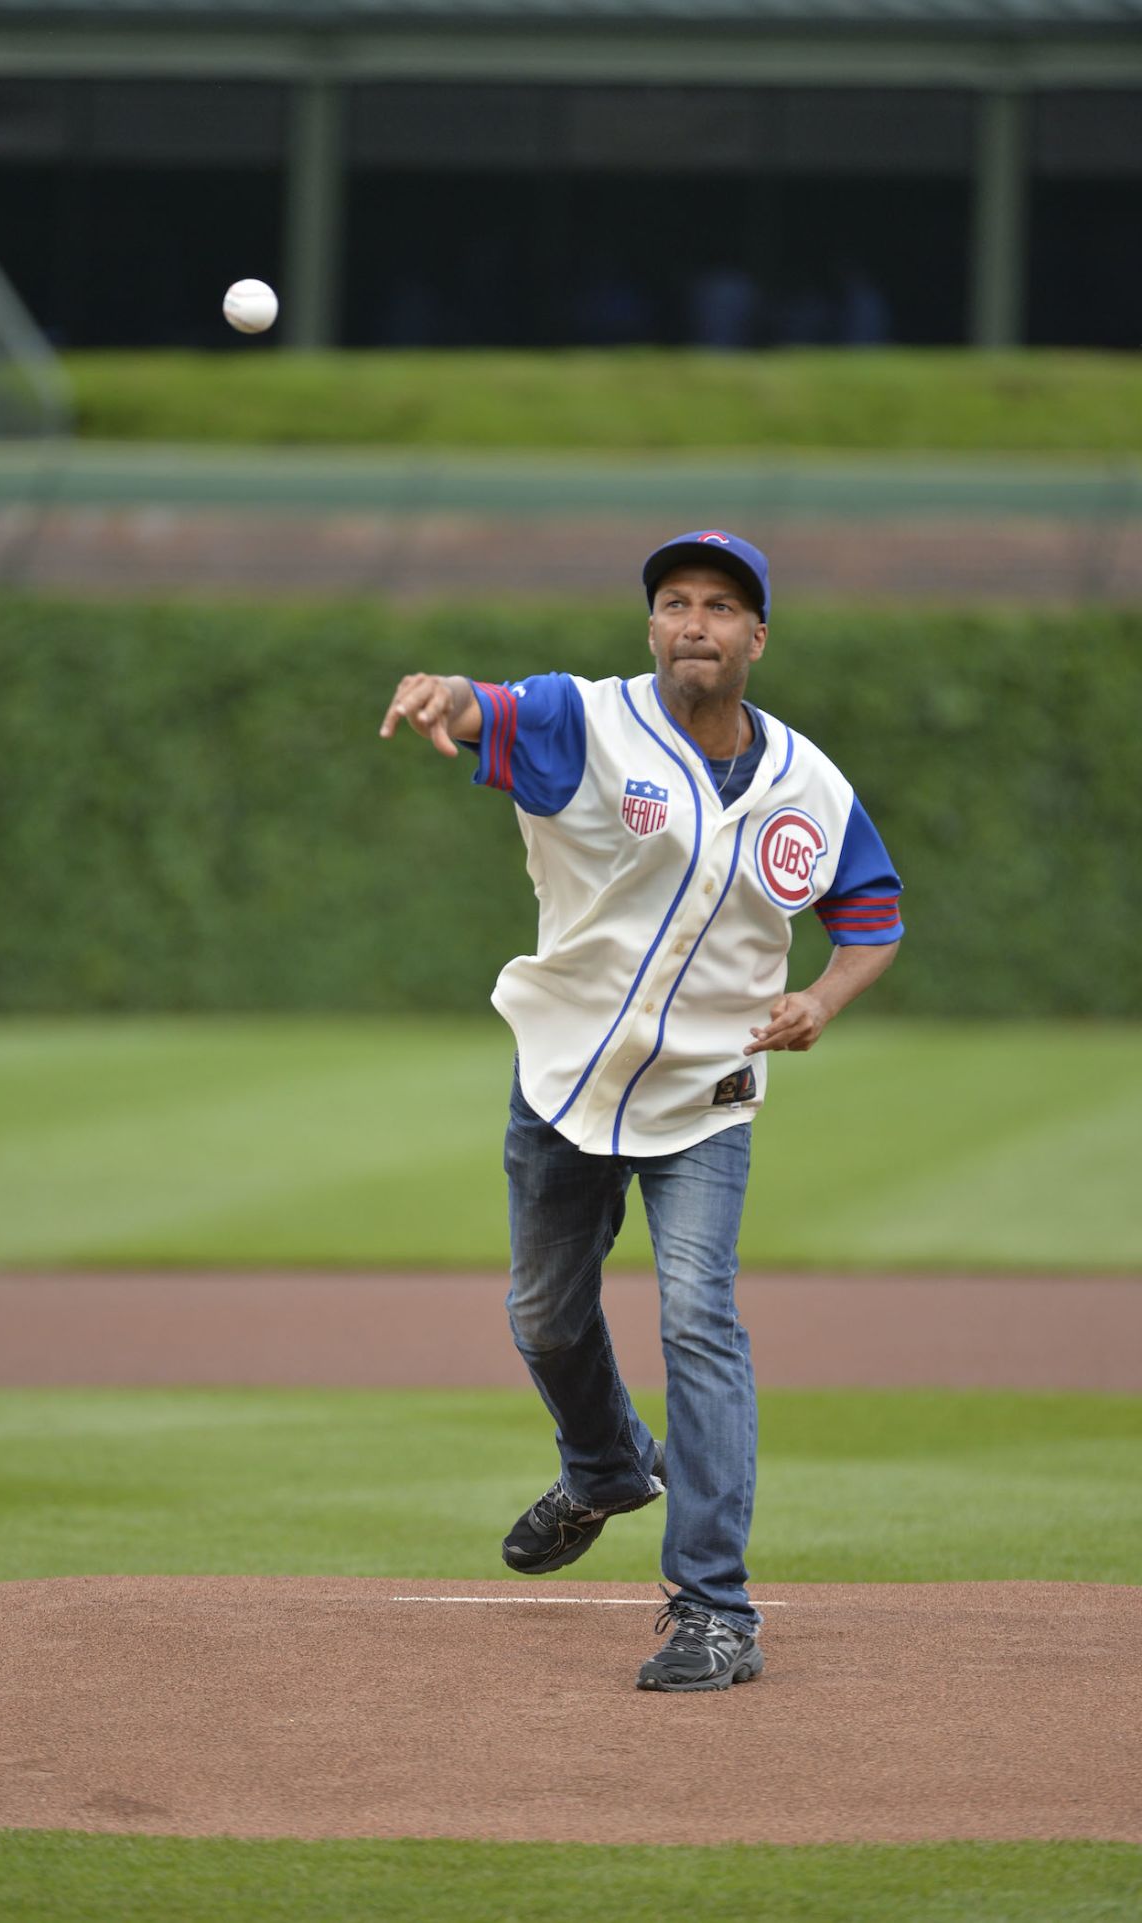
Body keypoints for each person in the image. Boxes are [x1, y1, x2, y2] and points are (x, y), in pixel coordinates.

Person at [378, 529, 903, 1693]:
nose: (694, 623)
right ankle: (608, 1467)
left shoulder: (807, 785)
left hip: (706, 1095)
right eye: (673, 602)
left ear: (755, 636)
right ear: (650, 627)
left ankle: (713, 1607)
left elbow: (869, 912)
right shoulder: (588, 724)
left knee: (697, 1321)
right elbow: (489, 710)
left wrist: (820, 994)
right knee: (543, 1317)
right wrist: (444, 697)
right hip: (563, 1076)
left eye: (720, 606)